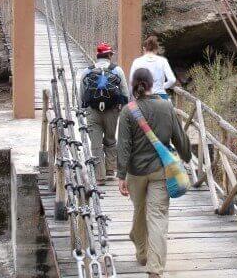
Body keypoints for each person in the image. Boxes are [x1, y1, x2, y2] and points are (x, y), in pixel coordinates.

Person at [117, 68, 191, 278]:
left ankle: (142, 252)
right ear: (151, 85)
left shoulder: (127, 111)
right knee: (157, 217)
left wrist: (121, 176)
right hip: (161, 171)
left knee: (140, 211)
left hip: (136, 173)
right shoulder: (166, 107)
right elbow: (180, 137)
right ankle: (154, 268)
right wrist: (185, 155)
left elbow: (124, 146)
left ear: (133, 85)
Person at [79, 42, 129, 183]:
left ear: (97, 55)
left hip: (93, 111)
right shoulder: (117, 70)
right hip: (112, 111)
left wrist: (82, 110)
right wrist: (123, 108)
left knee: (95, 144)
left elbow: (81, 94)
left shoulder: (87, 71)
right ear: (109, 55)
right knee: (110, 140)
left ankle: (99, 176)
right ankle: (110, 170)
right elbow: (125, 92)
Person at [129, 36, 177, 100]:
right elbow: (172, 80)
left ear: (144, 48)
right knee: (168, 108)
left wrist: (132, 97)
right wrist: (162, 86)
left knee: (134, 108)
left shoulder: (137, 62)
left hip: (143, 97)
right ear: (156, 49)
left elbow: (131, 81)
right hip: (161, 96)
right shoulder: (163, 61)